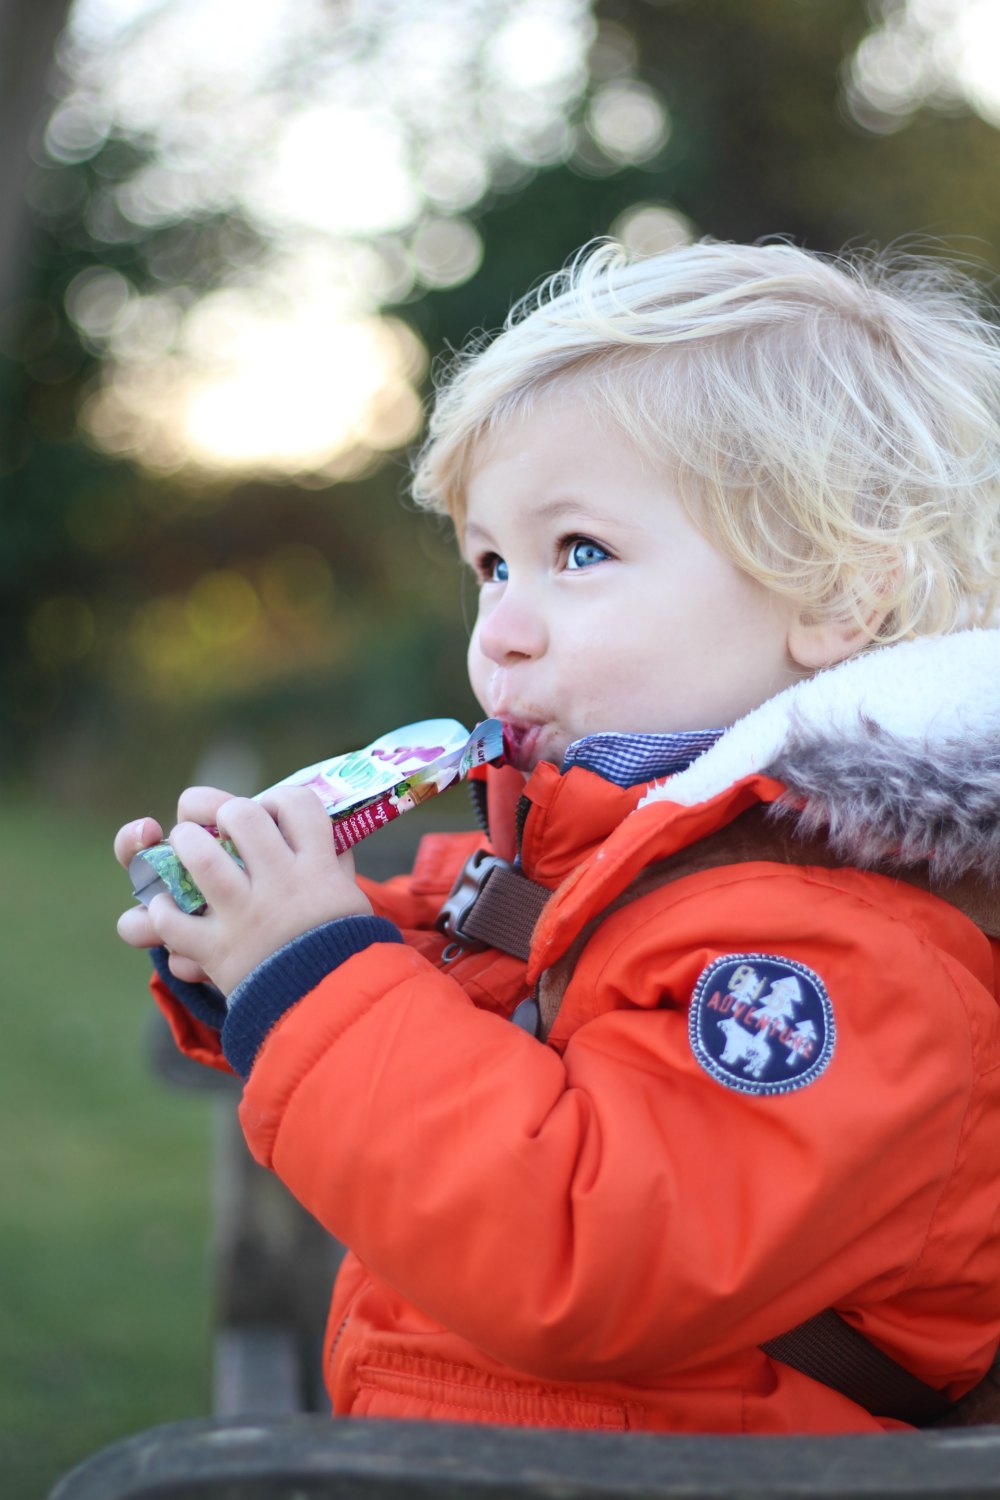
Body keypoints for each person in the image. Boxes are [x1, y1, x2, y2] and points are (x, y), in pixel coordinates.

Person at [114, 239, 1000, 1434]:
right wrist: (248, 952)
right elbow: (441, 1031)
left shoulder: (851, 956)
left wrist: (311, 974)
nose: (503, 630)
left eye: (579, 552)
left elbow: (579, 1246)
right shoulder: (581, 867)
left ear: (837, 595)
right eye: (490, 562)